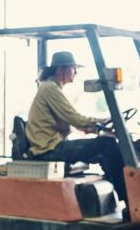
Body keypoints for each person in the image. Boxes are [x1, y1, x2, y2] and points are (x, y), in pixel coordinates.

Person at [25, 51, 126, 200]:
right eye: (73, 68)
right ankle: (127, 198)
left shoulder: (52, 88)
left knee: (104, 149)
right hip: (49, 149)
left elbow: (76, 125)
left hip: (53, 145)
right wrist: (105, 121)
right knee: (107, 145)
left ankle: (117, 197)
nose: (76, 72)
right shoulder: (49, 88)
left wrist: (103, 129)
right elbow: (76, 119)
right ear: (61, 70)